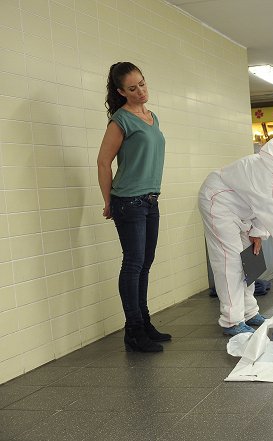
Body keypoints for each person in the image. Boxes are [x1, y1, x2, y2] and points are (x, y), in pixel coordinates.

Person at [199, 139, 273, 336]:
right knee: (230, 262)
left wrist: (257, 232)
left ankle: (249, 312)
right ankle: (231, 320)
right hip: (218, 202)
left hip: (243, 209)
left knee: (249, 261)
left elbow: (271, 205)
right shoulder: (265, 174)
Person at [97, 62, 170, 353]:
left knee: (145, 264)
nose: (140, 91)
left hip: (151, 199)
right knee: (133, 264)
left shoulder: (153, 117)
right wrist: (108, 200)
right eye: (132, 88)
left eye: (142, 84)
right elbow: (103, 162)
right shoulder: (120, 120)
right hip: (128, 201)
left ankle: (144, 322)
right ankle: (134, 330)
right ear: (120, 92)